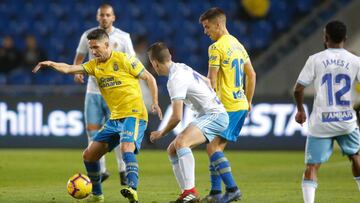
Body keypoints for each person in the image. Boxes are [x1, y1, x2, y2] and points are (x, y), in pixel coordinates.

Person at [33, 29, 162, 203]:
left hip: (134, 114)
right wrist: (50, 63)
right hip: (115, 118)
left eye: (96, 47)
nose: (93, 52)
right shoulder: (94, 65)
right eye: (90, 48)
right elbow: (70, 68)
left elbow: (149, 78)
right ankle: (97, 195)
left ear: (107, 44)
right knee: (89, 155)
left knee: (126, 149)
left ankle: (132, 189)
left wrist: (154, 101)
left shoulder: (124, 59)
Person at [147, 42, 229, 203]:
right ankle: (187, 194)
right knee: (172, 150)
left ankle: (191, 192)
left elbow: (177, 116)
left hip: (215, 115)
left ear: (154, 63)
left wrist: (160, 133)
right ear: (169, 56)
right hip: (209, 114)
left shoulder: (174, 79)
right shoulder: (181, 67)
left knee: (182, 142)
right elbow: (207, 81)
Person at [293, 20, 360, 203]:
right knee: (356, 157)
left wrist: (300, 111)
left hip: (321, 123)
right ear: (345, 38)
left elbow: (298, 89)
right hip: (347, 121)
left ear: (326, 37)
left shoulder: (315, 59)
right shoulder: (356, 61)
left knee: (312, 166)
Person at [73, 3, 136, 185]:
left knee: (117, 132)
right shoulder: (88, 36)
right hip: (93, 91)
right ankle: (101, 170)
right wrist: (78, 71)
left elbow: (132, 61)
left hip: (115, 92)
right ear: (97, 17)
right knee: (92, 130)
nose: (105, 18)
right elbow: (79, 56)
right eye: (102, 15)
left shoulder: (123, 37)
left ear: (113, 17)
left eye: (108, 15)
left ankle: (123, 169)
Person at [199, 7, 256, 202]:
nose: (205, 32)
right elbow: (252, 74)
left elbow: (211, 80)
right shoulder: (238, 45)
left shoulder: (216, 47)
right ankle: (216, 193)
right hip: (239, 104)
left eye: (207, 27)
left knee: (212, 148)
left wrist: (207, 104)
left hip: (227, 106)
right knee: (214, 147)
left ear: (218, 24)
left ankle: (232, 189)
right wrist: (248, 101)